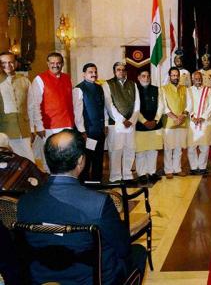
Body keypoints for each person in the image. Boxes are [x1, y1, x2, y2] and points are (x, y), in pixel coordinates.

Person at [17, 130, 147, 285]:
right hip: (92, 280)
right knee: (138, 251)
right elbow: (123, 247)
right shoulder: (99, 203)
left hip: (42, 279)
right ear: (80, 161)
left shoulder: (25, 202)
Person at [30, 52, 74, 171]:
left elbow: (72, 103)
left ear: (62, 64)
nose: (55, 65)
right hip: (49, 127)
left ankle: (63, 184)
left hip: (67, 125)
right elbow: (35, 105)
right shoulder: (40, 79)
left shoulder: (67, 78)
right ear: (47, 63)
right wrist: (39, 126)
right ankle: (50, 184)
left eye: (58, 63)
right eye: (52, 63)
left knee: (65, 158)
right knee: (50, 159)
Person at [103, 62, 140, 182]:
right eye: (118, 70)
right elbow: (109, 105)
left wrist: (132, 120)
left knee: (130, 149)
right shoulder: (107, 84)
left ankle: (127, 174)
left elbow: (137, 104)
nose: (121, 72)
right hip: (116, 124)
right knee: (116, 150)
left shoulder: (132, 84)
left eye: (123, 70)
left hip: (130, 123)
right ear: (114, 71)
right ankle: (115, 176)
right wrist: (122, 120)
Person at [73, 63, 106, 181]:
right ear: (84, 74)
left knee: (98, 158)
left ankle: (97, 182)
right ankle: (84, 184)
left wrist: (104, 126)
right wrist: (82, 131)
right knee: (87, 159)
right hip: (88, 132)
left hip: (99, 131)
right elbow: (78, 113)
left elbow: (103, 108)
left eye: (95, 72)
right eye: (90, 72)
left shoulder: (99, 87)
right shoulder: (79, 89)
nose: (94, 74)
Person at [0, 51, 34, 161]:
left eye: (10, 62)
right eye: (3, 63)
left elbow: (31, 106)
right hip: (4, 132)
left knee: (29, 162)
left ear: (16, 63)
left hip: (23, 130)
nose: (8, 65)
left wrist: (32, 129)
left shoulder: (24, 81)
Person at [186, 71, 211, 175]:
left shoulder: (208, 90)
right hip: (192, 123)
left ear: (202, 79)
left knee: (204, 146)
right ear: (192, 79)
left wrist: (203, 117)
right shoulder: (188, 90)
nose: (198, 80)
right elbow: (186, 105)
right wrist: (192, 117)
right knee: (191, 146)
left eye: (199, 78)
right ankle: (194, 167)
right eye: (196, 78)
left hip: (205, 122)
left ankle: (202, 167)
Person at [135, 70, 163, 183]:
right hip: (140, 124)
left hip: (155, 124)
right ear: (138, 77)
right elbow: (134, 108)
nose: (146, 78)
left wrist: (155, 120)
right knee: (141, 151)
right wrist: (144, 121)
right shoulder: (134, 89)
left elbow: (161, 105)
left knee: (153, 150)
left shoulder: (156, 89)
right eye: (143, 76)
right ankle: (141, 174)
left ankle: (152, 172)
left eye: (148, 76)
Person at [160, 67, 188, 179]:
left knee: (178, 147)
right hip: (169, 123)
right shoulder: (164, 89)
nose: (175, 77)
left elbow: (188, 104)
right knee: (168, 148)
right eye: (173, 75)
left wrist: (182, 116)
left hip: (182, 122)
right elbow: (164, 106)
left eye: (177, 75)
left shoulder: (184, 88)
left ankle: (177, 169)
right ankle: (168, 170)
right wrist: (174, 117)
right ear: (170, 76)